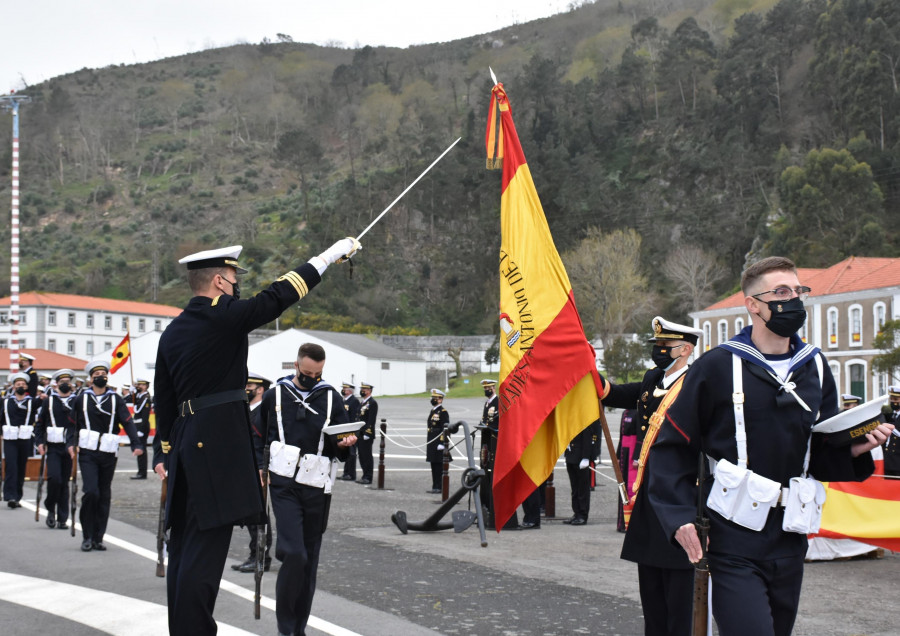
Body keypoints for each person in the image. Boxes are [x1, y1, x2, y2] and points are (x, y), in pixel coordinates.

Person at [648, 257, 893, 636]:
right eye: (781, 292)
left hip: (791, 535)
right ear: (753, 304)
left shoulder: (814, 366)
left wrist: (858, 448)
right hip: (732, 535)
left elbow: (820, 456)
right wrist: (678, 516)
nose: (793, 300)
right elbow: (672, 447)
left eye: (798, 291)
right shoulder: (717, 366)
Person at [153, 238, 359, 636]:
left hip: (186, 445)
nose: (237, 287)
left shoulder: (175, 329)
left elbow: (164, 397)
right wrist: (328, 256)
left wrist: (165, 451)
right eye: (233, 279)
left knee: (184, 548)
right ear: (217, 281)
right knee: (204, 552)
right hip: (214, 445)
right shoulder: (221, 315)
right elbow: (278, 295)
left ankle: (183, 628)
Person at [600, 316, 701, 635]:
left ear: (685, 349)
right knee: (652, 592)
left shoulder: (696, 383)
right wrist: (586, 367)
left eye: (664, 346)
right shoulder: (652, 378)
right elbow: (615, 394)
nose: (658, 351)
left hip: (681, 494)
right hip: (648, 493)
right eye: (656, 345)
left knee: (680, 595)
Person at [258, 343, 356, 636]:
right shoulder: (275, 395)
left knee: (309, 561)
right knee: (295, 554)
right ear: (296, 366)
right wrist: (258, 467)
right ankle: (285, 627)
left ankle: (297, 628)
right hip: (284, 484)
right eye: (308, 372)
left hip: (316, 486)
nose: (312, 377)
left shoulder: (331, 398)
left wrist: (345, 443)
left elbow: (341, 441)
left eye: (318, 373)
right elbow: (257, 435)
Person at [75, 360, 145, 551]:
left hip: (107, 452)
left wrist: (136, 444)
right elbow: (73, 424)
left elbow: (128, 422)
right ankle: (86, 535)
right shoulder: (81, 399)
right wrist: (70, 444)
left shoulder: (115, 399)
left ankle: (98, 537)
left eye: (103, 374)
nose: (100, 377)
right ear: (90, 379)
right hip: (88, 452)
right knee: (91, 492)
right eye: (96, 375)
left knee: (104, 494)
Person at [232, 371, 273, 573]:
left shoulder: (263, 412)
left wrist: (263, 468)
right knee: (250, 514)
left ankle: (261, 556)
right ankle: (254, 554)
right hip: (245, 469)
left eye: (250, 386)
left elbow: (264, 443)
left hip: (258, 469)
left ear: (260, 389)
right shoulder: (246, 410)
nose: (246, 389)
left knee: (259, 514)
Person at [34, 369, 77, 529]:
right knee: (54, 478)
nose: (65, 384)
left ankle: (62, 517)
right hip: (53, 446)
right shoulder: (49, 401)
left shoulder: (76, 401)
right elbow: (40, 424)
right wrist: (39, 442)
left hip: (70, 447)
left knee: (65, 482)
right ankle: (50, 508)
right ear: (56, 384)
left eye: (67, 381)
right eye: (62, 382)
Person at [2, 371, 36, 508]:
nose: (20, 386)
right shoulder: (5, 402)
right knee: (11, 466)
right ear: (13, 387)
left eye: (23, 384)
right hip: (10, 438)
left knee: (21, 467)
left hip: (24, 438)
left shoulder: (32, 402)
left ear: (26, 387)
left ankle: (17, 496)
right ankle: (10, 496)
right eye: (18, 384)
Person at [563, 422, 594, 526]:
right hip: (571, 457)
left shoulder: (583, 421)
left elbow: (587, 440)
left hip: (580, 458)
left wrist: (586, 457)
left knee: (582, 489)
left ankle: (582, 514)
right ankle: (576, 512)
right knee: (575, 489)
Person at [425, 388, 450, 493]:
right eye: (433, 398)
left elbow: (445, 428)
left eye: (435, 398)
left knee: (438, 466)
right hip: (432, 440)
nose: (433, 399)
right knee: (433, 464)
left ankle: (439, 486)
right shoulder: (433, 410)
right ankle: (435, 485)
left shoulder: (443, 412)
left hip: (438, 442)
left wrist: (442, 442)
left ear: (440, 399)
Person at [128, 377, 153, 480]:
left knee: (141, 449)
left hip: (142, 426)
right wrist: (132, 390)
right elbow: (131, 399)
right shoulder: (139, 396)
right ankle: (140, 472)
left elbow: (145, 416)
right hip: (138, 425)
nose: (139, 386)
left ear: (146, 386)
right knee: (139, 449)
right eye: (139, 385)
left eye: (142, 385)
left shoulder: (146, 398)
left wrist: (141, 430)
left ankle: (142, 473)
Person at [356, 381, 378, 484]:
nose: (362, 391)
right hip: (359, 433)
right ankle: (364, 474)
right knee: (361, 455)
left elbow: (371, 420)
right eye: (361, 389)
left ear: (369, 391)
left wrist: (368, 433)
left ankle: (368, 476)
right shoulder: (363, 402)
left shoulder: (372, 403)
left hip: (366, 434)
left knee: (367, 455)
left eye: (364, 390)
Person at [339, 382, 360, 481]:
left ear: (350, 390)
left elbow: (353, 417)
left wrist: (351, 429)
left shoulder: (354, 401)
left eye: (345, 388)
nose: (343, 390)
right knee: (347, 452)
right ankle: (346, 473)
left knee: (352, 453)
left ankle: (351, 474)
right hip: (345, 430)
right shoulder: (344, 401)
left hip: (350, 430)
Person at [883, 386, 900, 477]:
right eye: (891, 399)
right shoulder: (889, 416)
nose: (893, 402)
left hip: (898, 462)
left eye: (896, 399)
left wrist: (892, 429)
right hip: (888, 462)